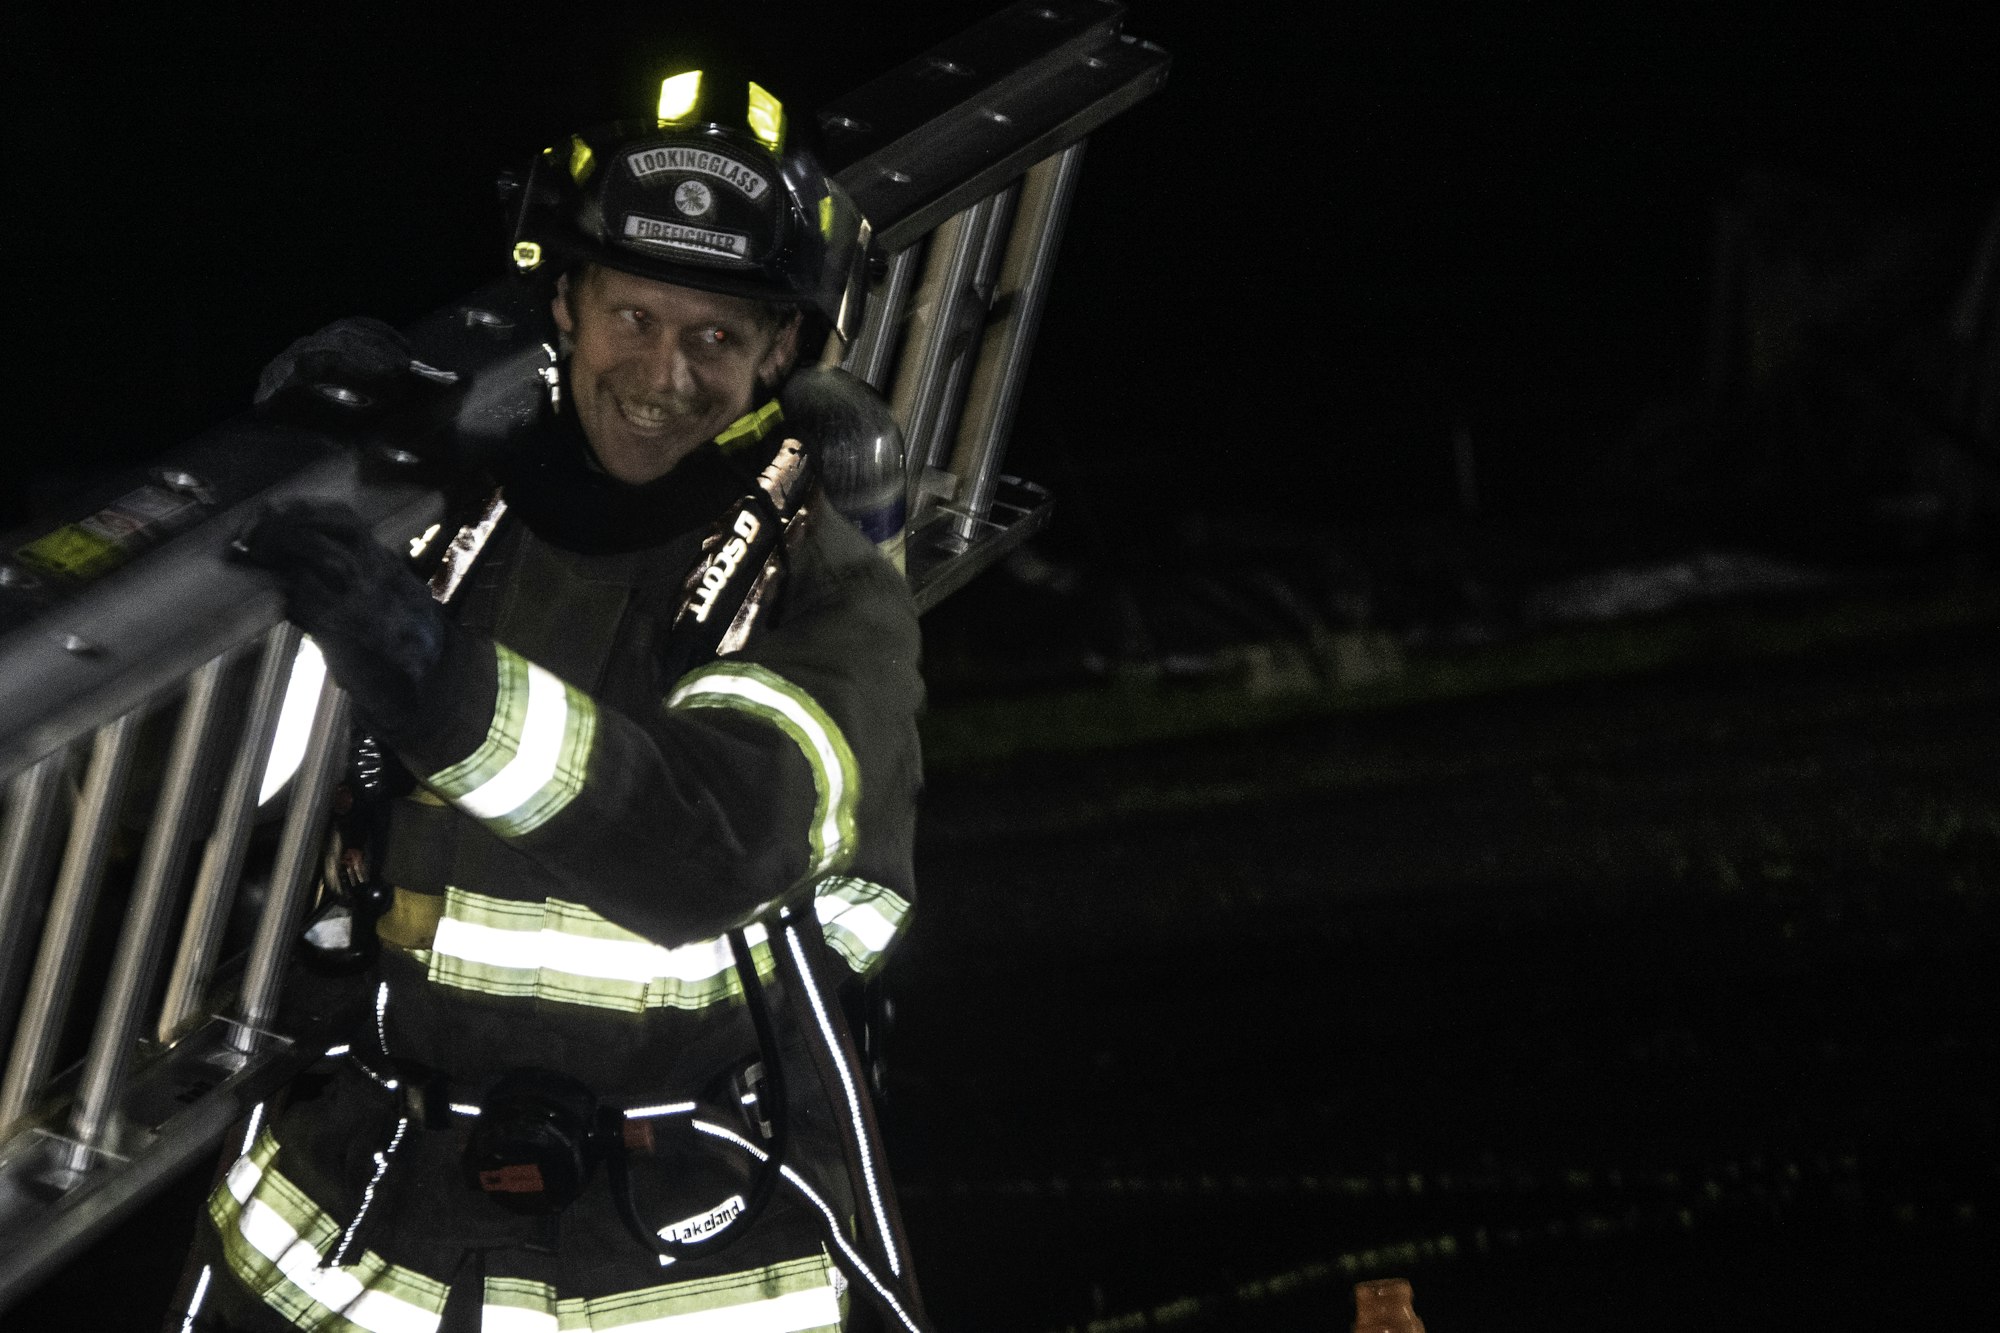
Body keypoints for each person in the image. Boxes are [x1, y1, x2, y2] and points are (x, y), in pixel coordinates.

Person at [177, 66, 927, 1333]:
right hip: (350, 1219)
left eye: (715, 338)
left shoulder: (827, 593)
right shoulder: (456, 521)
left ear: (781, 351)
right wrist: (288, 496)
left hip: (683, 1252)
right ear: (565, 307)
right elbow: (211, 787)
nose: (664, 375)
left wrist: (430, 676)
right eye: (633, 318)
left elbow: (707, 849)